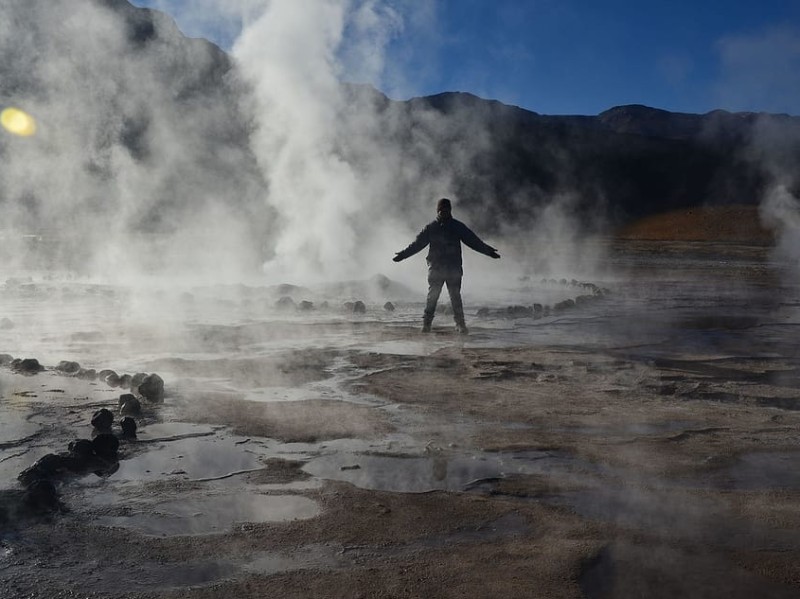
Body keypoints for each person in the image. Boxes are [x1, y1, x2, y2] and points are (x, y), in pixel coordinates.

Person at [393, 198, 500, 334]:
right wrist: (403, 255)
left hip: (453, 267)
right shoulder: (431, 228)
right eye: (441, 209)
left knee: (455, 297)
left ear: (450, 210)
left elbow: (473, 241)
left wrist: (488, 251)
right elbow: (417, 245)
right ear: (437, 210)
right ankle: (427, 325)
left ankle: (460, 325)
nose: (443, 212)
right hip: (436, 268)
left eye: (446, 209)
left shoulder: (457, 226)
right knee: (432, 297)